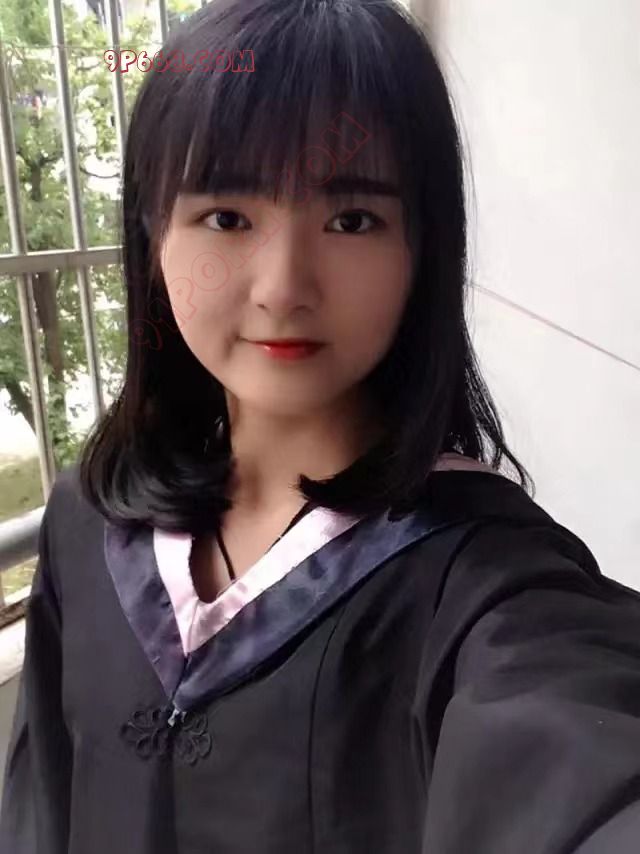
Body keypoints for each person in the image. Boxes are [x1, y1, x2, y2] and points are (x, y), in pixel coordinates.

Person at [1, 1, 639, 852]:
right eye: (228, 217)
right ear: (155, 235)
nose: (283, 287)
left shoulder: (485, 585)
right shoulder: (90, 521)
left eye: (352, 220)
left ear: (424, 248)